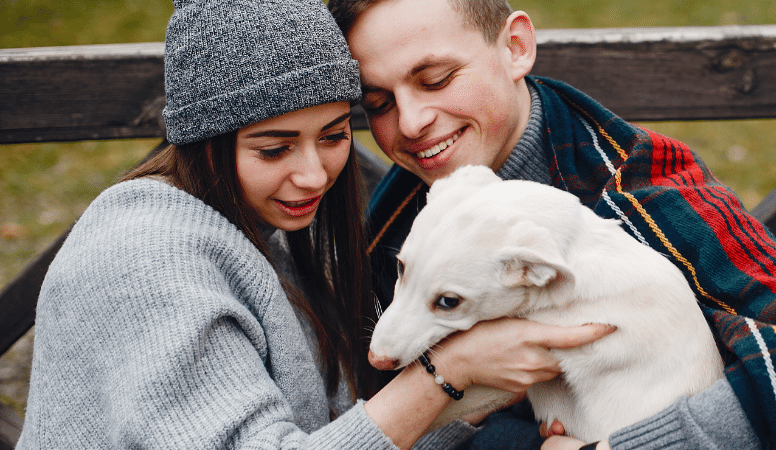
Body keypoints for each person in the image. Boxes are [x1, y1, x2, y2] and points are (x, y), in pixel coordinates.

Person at [326, 0, 776, 449]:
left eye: (435, 79)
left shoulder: (640, 193)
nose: (409, 122)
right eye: (376, 104)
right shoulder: (400, 216)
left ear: (515, 48)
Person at [15, 0, 612, 448]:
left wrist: (477, 401)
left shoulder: (260, 230)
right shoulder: (147, 256)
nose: (312, 176)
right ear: (207, 145)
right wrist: (446, 374)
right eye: (274, 149)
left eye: (331, 137)